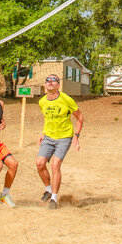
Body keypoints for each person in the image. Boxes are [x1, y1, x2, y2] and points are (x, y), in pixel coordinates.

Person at [35, 73, 83, 209]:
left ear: (58, 85)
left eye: (53, 80)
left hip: (64, 137)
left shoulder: (66, 99)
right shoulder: (42, 101)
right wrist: (43, 133)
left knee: (55, 164)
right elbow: (47, 117)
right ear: (45, 85)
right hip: (48, 137)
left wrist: (76, 136)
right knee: (39, 163)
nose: (50, 82)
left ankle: (54, 199)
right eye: (47, 80)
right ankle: (48, 189)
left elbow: (80, 117)